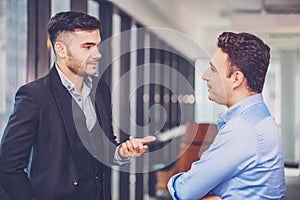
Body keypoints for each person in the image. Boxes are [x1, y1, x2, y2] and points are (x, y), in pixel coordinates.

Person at [0, 11, 155, 200]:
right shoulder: (34, 96)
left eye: (97, 45)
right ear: (61, 50)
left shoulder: (101, 91)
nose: (97, 54)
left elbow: (103, 146)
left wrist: (122, 152)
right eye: (87, 47)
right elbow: (7, 166)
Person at [167, 32, 286, 199]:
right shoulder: (259, 119)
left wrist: (181, 185)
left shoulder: (242, 129)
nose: (205, 76)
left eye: (213, 69)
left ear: (236, 79)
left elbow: (183, 191)